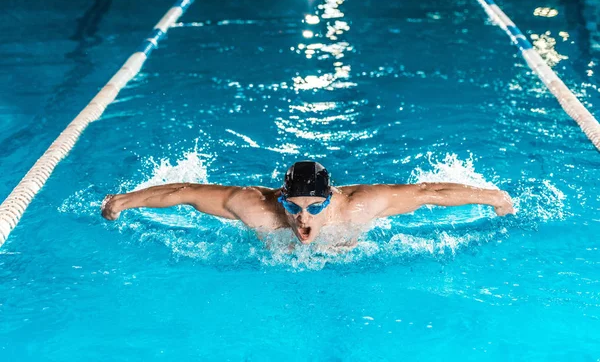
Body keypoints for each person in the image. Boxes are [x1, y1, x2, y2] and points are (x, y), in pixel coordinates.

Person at [101, 160, 515, 245]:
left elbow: (429, 194)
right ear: (279, 198)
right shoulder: (254, 207)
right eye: (294, 206)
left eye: (314, 208)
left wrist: (494, 198)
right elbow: (186, 192)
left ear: (331, 198)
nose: (302, 218)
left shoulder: (360, 205)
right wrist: (123, 202)